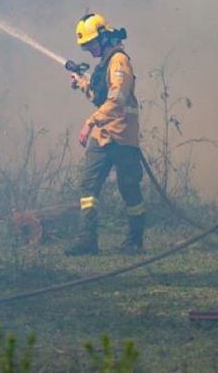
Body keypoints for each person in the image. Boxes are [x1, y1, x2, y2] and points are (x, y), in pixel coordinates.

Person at [65, 13, 144, 256]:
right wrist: (82, 84)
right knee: (88, 187)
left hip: (122, 136)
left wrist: (90, 122)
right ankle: (87, 241)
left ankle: (135, 240)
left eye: (91, 44)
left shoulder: (119, 61)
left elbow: (117, 99)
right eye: (85, 46)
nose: (89, 50)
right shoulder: (104, 64)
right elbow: (101, 97)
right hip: (102, 137)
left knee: (129, 188)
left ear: (104, 37)